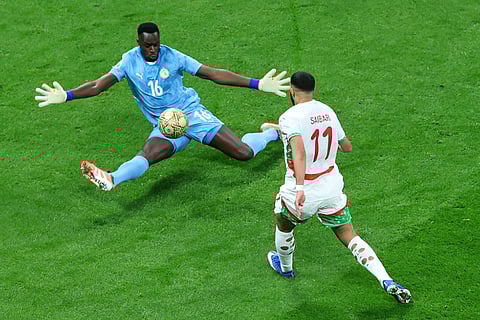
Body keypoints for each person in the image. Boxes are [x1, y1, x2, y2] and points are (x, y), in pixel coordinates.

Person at [34, 22, 290, 191]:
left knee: (243, 153)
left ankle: (272, 132)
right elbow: (98, 86)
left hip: (190, 113)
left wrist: (257, 84)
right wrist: (66, 95)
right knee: (147, 155)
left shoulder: (173, 56)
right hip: (166, 125)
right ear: (138, 42)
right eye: (148, 45)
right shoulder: (128, 62)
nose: (154, 49)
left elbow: (212, 73)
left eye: (156, 44)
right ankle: (112, 178)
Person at [264, 72, 412, 304]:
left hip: (304, 190)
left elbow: (299, 152)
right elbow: (347, 146)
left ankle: (285, 267)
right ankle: (387, 280)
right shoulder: (327, 111)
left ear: (292, 91)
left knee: (283, 221)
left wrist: (301, 187)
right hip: (331, 187)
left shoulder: (289, 116)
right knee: (349, 235)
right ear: (313, 89)